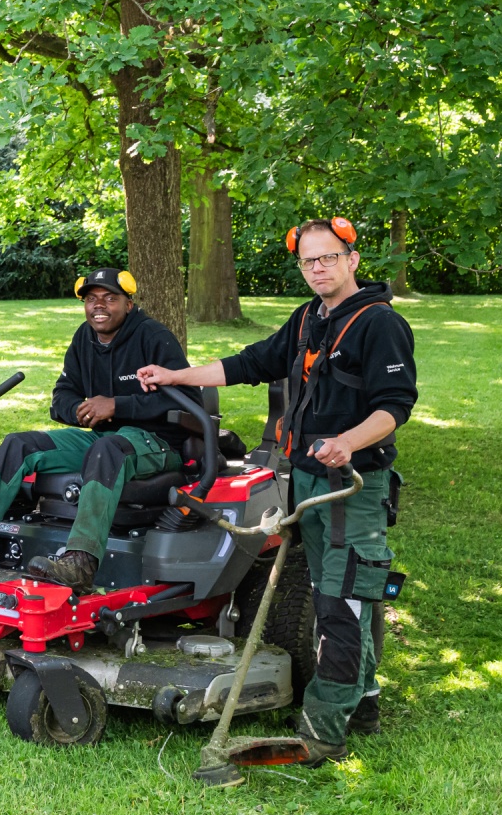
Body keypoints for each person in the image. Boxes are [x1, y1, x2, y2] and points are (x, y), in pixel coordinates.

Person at [138, 217, 416, 763]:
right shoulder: (310, 318)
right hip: (307, 479)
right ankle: (362, 705)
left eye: (328, 257)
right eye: (309, 261)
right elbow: (251, 362)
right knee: (338, 592)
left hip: (351, 487)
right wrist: (177, 376)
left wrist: (347, 442)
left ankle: (324, 730)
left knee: (341, 601)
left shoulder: (380, 324)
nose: (318, 268)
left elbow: (395, 406)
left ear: (352, 260)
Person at [0, 268, 190, 590]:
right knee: (19, 444)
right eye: (92, 299)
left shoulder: (153, 337)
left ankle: (80, 562)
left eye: (110, 298)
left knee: (106, 449)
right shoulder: (84, 338)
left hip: (157, 442)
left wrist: (116, 406)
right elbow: (62, 396)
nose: (99, 305)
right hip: (106, 438)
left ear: (129, 303)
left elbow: (186, 398)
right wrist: (79, 410)